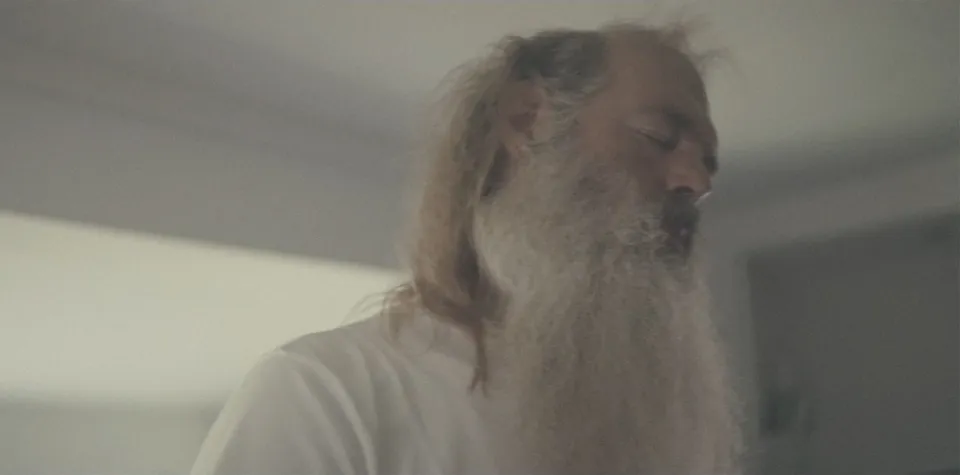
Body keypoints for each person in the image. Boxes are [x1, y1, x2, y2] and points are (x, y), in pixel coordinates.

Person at [191, 20, 742, 475]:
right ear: (527, 121)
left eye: (708, 163)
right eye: (657, 137)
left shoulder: (659, 420)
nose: (695, 182)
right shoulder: (325, 395)